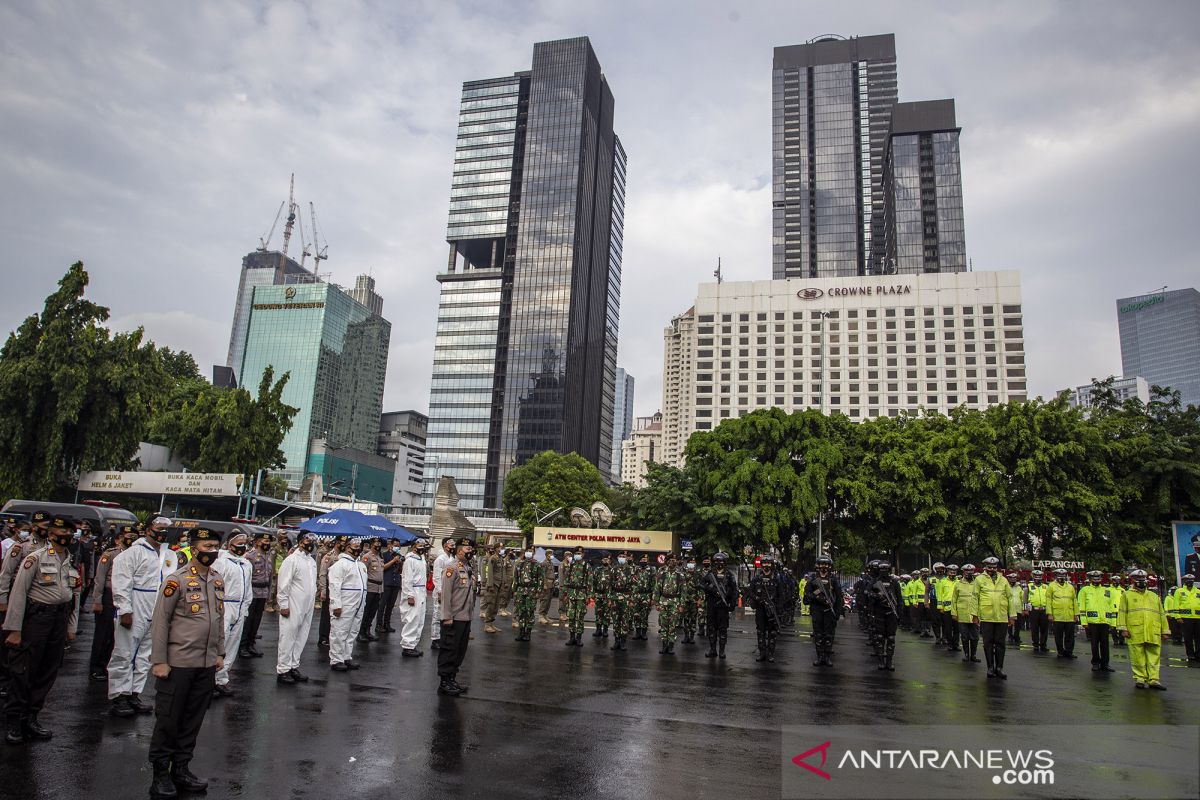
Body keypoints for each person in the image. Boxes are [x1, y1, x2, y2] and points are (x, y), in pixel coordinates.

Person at [146, 526, 225, 798]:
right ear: (193, 548)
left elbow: (218, 620)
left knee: (193, 719)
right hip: (178, 662)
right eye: (206, 547)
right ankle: (160, 773)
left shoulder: (216, 579)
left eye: (215, 546)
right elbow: (161, 622)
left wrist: (220, 652)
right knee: (169, 719)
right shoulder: (176, 580)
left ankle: (181, 768)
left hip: (205, 665)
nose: (211, 552)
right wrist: (159, 661)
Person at [2, 515, 80, 745]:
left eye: (68, 533)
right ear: (51, 534)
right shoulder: (35, 558)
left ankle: (31, 717)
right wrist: (13, 629)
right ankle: (14, 720)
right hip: (37, 618)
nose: (64, 537)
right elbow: (18, 593)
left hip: (58, 619)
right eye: (60, 533)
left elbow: (72, 596)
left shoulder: (69, 560)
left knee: (48, 670)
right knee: (24, 670)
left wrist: (71, 626)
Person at [108, 515, 178, 717]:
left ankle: (133, 693)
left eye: (166, 527)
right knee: (124, 653)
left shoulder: (167, 555)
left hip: (156, 609)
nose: (163, 531)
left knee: (145, 655)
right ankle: (118, 695)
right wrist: (124, 610)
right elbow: (122, 582)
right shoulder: (134, 552)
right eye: (159, 527)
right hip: (136, 605)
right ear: (148, 530)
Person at [89, 525, 134, 681]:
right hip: (109, 596)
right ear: (119, 538)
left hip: (126, 597)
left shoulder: (136, 555)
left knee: (117, 636)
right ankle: (96, 667)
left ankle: (108, 666)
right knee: (103, 634)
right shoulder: (110, 554)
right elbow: (100, 578)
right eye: (128, 536)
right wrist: (97, 600)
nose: (131, 539)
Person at [211, 530, 252, 697]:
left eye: (244, 543)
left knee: (232, 645)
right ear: (229, 545)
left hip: (240, 607)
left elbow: (248, 588)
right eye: (239, 543)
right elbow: (215, 587)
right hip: (225, 605)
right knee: (219, 643)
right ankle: (210, 680)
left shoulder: (246, 564)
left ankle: (221, 679)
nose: (242, 546)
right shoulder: (221, 562)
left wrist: (245, 608)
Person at [437, 537, 478, 696]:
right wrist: (447, 616)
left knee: (460, 651)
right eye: (468, 550)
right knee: (449, 650)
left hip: (465, 617)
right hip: (453, 617)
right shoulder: (451, 568)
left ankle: (452, 678)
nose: (471, 552)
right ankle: (444, 682)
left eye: (472, 550)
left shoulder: (468, 568)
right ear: (459, 550)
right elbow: (446, 594)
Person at [275, 533, 317, 685]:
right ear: (300, 542)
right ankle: (283, 669)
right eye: (307, 540)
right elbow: (283, 584)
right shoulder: (291, 559)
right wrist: (283, 605)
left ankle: (293, 665)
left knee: (301, 636)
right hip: (293, 604)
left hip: (307, 605)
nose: (311, 543)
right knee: (288, 636)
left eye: (313, 540)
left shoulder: (311, 561)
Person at [1117, 569, 1169, 689]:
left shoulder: (1154, 596)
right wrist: (1123, 628)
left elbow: (1161, 614)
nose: (1141, 582)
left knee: (1154, 656)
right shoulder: (1127, 595)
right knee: (1137, 655)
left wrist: (1165, 631)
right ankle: (1140, 678)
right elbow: (1122, 612)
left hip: (1153, 630)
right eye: (1138, 580)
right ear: (1133, 581)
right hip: (1135, 631)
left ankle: (1154, 679)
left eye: (1143, 580)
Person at [327, 538, 368, 672]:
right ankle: (336, 659)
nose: (357, 548)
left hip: (358, 603)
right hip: (345, 602)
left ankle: (346, 656)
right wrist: (336, 605)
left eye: (359, 545)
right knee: (340, 630)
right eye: (354, 545)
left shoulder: (361, 565)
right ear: (347, 547)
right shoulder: (340, 564)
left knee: (352, 631)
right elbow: (334, 586)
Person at [973, 556, 1016, 679]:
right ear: (985, 567)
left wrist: (1012, 616)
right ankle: (990, 667)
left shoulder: (1003, 580)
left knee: (1000, 643)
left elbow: (1010, 598)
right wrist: (975, 615)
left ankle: (999, 668)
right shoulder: (979, 579)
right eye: (990, 567)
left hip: (1001, 616)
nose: (992, 569)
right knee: (988, 643)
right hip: (986, 616)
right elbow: (975, 598)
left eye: (994, 567)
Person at [804, 555, 844, 667]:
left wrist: (837, 613)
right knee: (818, 635)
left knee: (829, 636)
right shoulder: (813, 580)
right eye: (822, 564)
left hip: (829, 612)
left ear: (829, 566)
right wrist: (817, 597)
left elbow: (839, 597)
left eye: (826, 564)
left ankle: (827, 657)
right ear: (818, 565)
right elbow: (806, 596)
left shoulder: (833, 580)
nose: (824, 566)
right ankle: (819, 657)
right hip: (817, 611)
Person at [238, 532, 272, 659]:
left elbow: (269, 577)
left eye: (268, 542)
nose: (267, 544)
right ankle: (242, 646)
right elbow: (245, 577)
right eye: (265, 541)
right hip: (252, 591)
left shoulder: (268, 556)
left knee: (257, 621)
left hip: (263, 592)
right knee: (248, 620)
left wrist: (269, 594)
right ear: (257, 542)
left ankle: (251, 644)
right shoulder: (250, 556)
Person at [1077, 569, 1116, 673]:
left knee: (1105, 644)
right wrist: (1084, 622)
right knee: (1094, 644)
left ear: (1101, 579)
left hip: (1105, 621)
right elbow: (1081, 606)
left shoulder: (1107, 590)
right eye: (1094, 578)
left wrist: (1113, 622)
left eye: (1098, 578)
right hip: (1092, 621)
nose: (1096, 579)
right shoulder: (1084, 590)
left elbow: (1111, 606)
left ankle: (1105, 664)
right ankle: (1095, 663)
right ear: (1090, 579)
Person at [701, 552, 738, 659]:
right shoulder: (710, 574)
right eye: (717, 562)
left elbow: (735, 590)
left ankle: (722, 651)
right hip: (712, 605)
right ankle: (712, 650)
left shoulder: (729, 575)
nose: (719, 564)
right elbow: (702, 584)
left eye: (721, 561)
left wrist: (732, 604)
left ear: (725, 562)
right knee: (711, 628)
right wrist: (712, 589)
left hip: (723, 606)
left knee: (722, 629)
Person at [867, 562, 902, 671]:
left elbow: (899, 599)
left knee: (891, 638)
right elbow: (868, 594)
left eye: (886, 569)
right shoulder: (875, 581)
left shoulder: (894, 582)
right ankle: (881, 661)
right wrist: (877, 596)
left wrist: (899, 614)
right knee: (880, 638)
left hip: (891, 614)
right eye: (882, 569)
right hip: (879, 613)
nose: (884, 571)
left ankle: (889, 661)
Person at [400, 539, 430, 657]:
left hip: (421, 590)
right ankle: (407, 645)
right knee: (412, 618)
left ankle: (413, 644)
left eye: (423, 545)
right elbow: (407, 579)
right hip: (414, 590)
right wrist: (410, 595)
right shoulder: (410, 560)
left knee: (420, 619)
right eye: (419, 545)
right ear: (413, 547)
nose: (422, 547)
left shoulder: (421, 559)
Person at [316, 536, 344, 648]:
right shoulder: (329, 556)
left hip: (340, 588)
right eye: (341, 542)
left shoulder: (344, 556)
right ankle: (323, 637)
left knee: (337, 614)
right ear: (336, 543)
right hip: (329, 587)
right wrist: (322, 590)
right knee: (326, 614)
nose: (343, 545)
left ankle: (333, 637)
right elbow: (322, 574)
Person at [656, 553, 686, 656]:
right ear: (667, 561)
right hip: (663, 600)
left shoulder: (680, 575)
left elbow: (683, 591)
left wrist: (681, 605)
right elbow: (657, 589)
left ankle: (671, 645)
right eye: (671, 559)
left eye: (674, 559)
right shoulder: (662, 573)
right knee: (664, 624)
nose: (673, 561)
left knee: (673, 625)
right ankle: (664, 645)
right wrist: (656, 602)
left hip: (675, 602)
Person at [1046, 568, 1079, 659]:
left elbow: (1074, 601)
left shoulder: (1070, 586)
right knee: (1058, 636)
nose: (1061, 577)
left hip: (1069, 615)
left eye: (1063, 575)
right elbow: (1048, 600)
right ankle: (1060, 652)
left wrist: (1076, 614)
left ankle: (1069, 652)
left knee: (1070, 636)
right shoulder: (1051, 586)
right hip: (1057, 615)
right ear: (1055, 576)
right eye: (1059, 575)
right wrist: (1049, 613)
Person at [951, 564, 980, 664]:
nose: (969, 573)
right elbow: (954, 599)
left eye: (971, 571)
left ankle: (973, 655)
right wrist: (954, 613)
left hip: (974, 615)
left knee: (975, 636)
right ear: (963, 572)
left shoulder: (977, 583)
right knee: (964, 636)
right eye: (967, 571)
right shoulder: (958, 584)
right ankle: (966, 655)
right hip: (962, 614)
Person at [357, 538, 385, 643]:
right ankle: (361, 633)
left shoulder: (380, 557)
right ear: (372, 544)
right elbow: (363, 573)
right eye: (376, 543)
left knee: (373, 611)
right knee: (366, 611)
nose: (378, 545)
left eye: (379, 543)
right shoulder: (367, 557)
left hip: (378, 588)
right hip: (370, 586)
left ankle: (368, 631)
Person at [429, 538, 455, 648]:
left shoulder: (452, 558)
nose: (453, 547)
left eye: (454, 545)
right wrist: (439, 591)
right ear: (445, 546)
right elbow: (436, 577)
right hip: (441, 590)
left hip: (450, 590)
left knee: (447, 614)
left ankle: (444, 636)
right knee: (437, 614)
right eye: (451, 545)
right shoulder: (440, 559)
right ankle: (435, 639)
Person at [513, 547, 542, 642]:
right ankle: (521, 632)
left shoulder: (537, 565)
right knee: (521, 612)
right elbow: (516, 578)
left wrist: (538, 591)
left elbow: (540, 579)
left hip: (532, 591)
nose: (529, 553)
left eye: (531, 551)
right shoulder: (519, 564)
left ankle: (528, 633)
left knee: (530, 612)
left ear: (533, 553)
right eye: (528, 551)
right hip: (521, 590)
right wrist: (515, 590)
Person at [562, 548, 590, 647]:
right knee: (571, 616)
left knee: (580, 617)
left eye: (579, 553)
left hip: (582, 594)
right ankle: (572, 637)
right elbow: (567, 579)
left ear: (583, 554)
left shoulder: (586, 566)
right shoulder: (571, 565)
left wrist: (589, 596)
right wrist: (565, 594)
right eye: (576, 553)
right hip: (571, 594)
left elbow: (590, 582)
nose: (577, 555)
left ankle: (578, 638)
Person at [608, 550, 635, 651]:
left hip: (626, 597)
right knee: (615, 620)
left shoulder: (631, 569)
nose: (622, 557)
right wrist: (610, 599)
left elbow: (634, 586)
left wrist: (632, 600)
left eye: (623, 556)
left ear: (627, 557)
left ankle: (623, 642)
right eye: (620, 556)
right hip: (615, 597)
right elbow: (609, 585)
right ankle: (616, 641)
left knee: (624, 620)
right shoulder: (613, 569)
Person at [379, 539, 404, 636]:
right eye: (395, 545)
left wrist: (400, 563)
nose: (397, 547)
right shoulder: (384, 555)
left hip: (396, 582)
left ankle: (387, 623)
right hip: (387, 582)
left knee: (390, 605)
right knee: (382, 604)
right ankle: (379, 624)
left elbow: (400, 570)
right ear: (390, 545)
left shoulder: (400, 556)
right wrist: (393, 561)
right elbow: (382, 567)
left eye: (398, 546)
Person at [1174, 573, 1199, 662]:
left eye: (1191, 581)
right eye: (1188, 581)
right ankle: (1190, 654)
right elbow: (1176, 604)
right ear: (1184, 581)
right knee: (1188, 638)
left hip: (1198, 618)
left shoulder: (1198, 591)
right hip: (1185, 618)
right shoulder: (1179, 591)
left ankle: (1198, 654)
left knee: (1198, 638)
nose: (1190, 582)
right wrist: (1177, 617)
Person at [480, 545, 503, 634]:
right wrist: (490, 585)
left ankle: (491, 623)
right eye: (500, 548)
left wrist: (503, 582)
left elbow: (502, 572)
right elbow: (489, 571)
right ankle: (487, 624)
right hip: (493, 584)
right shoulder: (492, 558)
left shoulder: (499, 558)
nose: (501, 549)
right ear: (496, 548)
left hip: (498, 584)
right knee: (491, 604)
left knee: (496, 605)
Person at [632, 554, 655, 641]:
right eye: (642, 559)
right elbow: (632, 583)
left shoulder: (651, 571)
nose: (643, 561)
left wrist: (653, 597)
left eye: (645, 559)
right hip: (636, 595)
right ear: (640, 560)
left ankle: (644, 632)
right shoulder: (635, 570)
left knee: (645, 615)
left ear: (647, 561)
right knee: (636, 614)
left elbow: (654, 584)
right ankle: (637, 632)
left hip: (646, 595)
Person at [1027, 569, 1050, 653]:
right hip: (1034, 610)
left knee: (1044, 629)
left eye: (1039, 577)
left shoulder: (1046, 587)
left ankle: (1043, 645)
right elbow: (1025, 599)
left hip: (1044, 610)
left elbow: (1049, 598)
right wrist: (1025, 609)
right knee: (1034, 628)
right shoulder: (1028, 586)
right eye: (1036, 577)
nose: (1038, 579)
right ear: (1033, 577)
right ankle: (1036, 645)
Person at [591, 552, 613, 638]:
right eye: (604, 559)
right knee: (598, 613)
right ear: (601, 560)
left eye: (607, 559)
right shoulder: (597, 570)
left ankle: (605, 630)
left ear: (610, 561)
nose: (605, 560)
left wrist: (611, 596)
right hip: (598, 594)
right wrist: (593, 594)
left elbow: (614, 584)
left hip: (608, 596)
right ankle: (598, 629)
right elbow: (593, 582)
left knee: (607, 614)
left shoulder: (612, 570)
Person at [679, 556, 701, 644]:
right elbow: (680, 587)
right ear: (687, 564)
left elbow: (700, 589)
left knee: (693, 619)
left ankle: (692, 636)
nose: (692, 564)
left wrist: (700, 599)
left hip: (694, 601)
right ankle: (686, 636)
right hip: (685, 600)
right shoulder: (683, 574)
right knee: (686, 618)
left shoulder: (698, 574)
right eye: (690, 562)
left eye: (693, 562)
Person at [537, 549, 557, 625]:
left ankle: (545, 615)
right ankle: (541, 616)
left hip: (551, 584)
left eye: (552, 554)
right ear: (547, 554)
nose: (552, 555)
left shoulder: (551, 563)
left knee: (548, 601)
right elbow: (543, 575)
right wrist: (544, 584)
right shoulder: (544, 563)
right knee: (544, 600)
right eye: (550, 554)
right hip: (546, 584)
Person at [1107, 573, 1126, 647]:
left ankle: (1122, 640)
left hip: (1121, 610)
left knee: (1121, 626)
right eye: (1115, 581)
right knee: (1113, 627)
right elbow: (1106, 600)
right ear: (1112, 581)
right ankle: (1115, 641)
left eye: (1118, 581)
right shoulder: (1108, 590)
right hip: (1112, 610)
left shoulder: (1122, 590)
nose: (1116, 582)